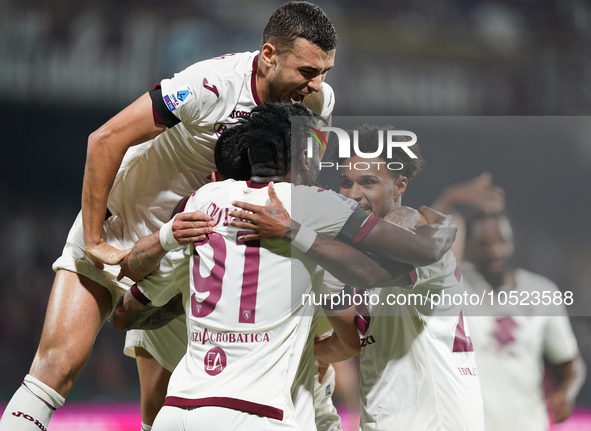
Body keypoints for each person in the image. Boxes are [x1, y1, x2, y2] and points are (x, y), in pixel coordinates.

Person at [0, 3, 338, 431]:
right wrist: (93, 240)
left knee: (163, 411)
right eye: (308, 70)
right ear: (269, 55)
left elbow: (299, 185)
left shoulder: (318, 102)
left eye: (325, 70)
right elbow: (105, 139)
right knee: (55, 368)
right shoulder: (210, 85)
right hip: (125, 227)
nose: (317, 84)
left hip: (191, 248)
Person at [114, 103, 458, 430]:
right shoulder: (312, 206)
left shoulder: (200, 202)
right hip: (253, 413)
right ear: (306, 156)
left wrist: (169, 253)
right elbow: (407, 258)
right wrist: (444, 224)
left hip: (178, 409)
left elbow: (123, 315)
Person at [236, 124, 485, 430]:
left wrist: (293, 231)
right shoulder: (348, 256)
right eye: (345, 182)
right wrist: (309, 352)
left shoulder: (418, 241)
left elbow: (369, 273)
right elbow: (356, 342)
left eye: (368, 183)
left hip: (435, 421)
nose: (354, 194)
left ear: (400, 186)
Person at [461, 212, 586, 431]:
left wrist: (567, 392)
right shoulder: (457, 288)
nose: (494, 250)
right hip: (472, 424)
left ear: (514, 243)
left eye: (502, 241)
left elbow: (571, 363)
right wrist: (450, 198)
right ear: (468, 247)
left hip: (527, 424)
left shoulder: (542, 292)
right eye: (483, 244)